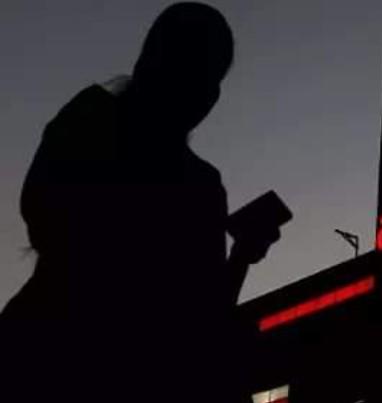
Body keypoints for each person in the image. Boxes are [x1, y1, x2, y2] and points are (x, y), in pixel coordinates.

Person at [0, 3, 280, 401]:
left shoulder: (90, 119)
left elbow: (200, 320)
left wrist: (241, 255)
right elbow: (199, 323)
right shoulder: (196, 185)